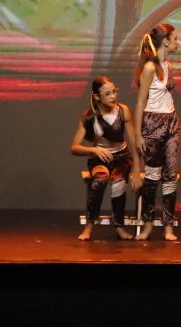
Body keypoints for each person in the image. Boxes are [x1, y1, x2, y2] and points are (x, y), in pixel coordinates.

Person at [70, 77, 141, 240]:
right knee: (100, 180)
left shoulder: (122, 111)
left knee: (118, 182)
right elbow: (74, 147)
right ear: (97, 96)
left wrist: (137, 169)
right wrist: (93, 150)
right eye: (107, 94)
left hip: (121, 157)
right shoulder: (89, 116)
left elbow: (134, 142)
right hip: (99, 158)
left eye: (114, 92)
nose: (113, 96)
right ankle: (89, 226)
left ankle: (119, 226)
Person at [133, 23, 181, 241]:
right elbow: (140, 102)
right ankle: (148, 224)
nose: (178, 42)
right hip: (152, 123)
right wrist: (138, 134)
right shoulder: (150, 68)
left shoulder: (168, 65)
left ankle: (168, 226)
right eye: (175, 39)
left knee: (171, 175)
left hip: (171, 121)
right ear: (166, 41)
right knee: (152, 177)